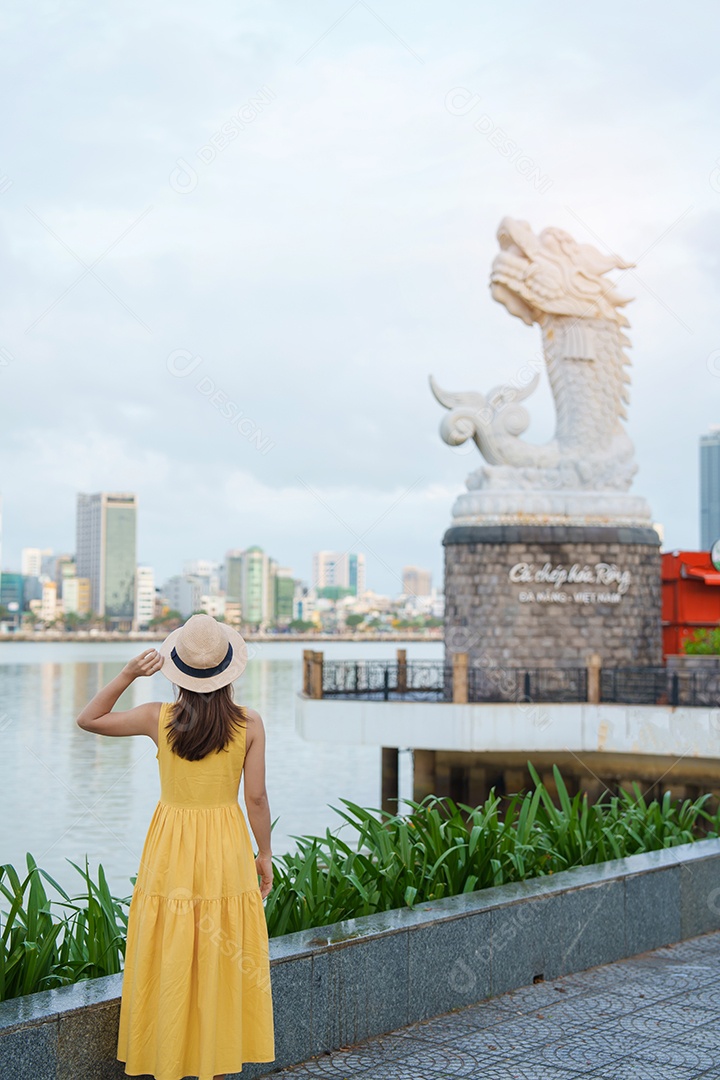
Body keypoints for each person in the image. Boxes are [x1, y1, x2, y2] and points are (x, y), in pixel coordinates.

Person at [76, 613, 275, 1080]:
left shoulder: (158, 717)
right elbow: (257, 798)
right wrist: (264, 854)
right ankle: (216, 1059)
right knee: (223, 949)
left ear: (178, 671)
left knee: (171, 942)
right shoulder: (250, 723)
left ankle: (168, 1057)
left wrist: (128, 673)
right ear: (228, 671)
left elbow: (89, 719)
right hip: (226, 843)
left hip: (172, 844)